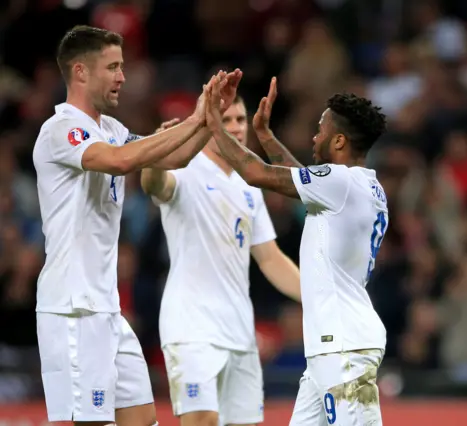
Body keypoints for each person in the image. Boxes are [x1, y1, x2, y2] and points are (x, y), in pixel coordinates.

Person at [33, 25, 233, 426]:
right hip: (73, 308)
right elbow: (120, 161)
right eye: (113, 67)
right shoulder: (61, 130)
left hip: (106, 308)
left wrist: (208, 120)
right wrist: (192, 120)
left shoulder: (112, 129)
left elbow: (170, 159)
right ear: (81, 72)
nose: (123, 76)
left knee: (142, 420)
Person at [204, 74, 389, 426]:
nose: (314, 136)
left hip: (344, 347)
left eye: (321, 129)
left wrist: (213, 122)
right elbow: (300, 178)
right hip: (329, 348)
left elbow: (257, 173)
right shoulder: (356, 186)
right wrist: (266, 136)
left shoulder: (341, 183)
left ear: (338, 140)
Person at [140, 81, 301, 426]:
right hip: (192, 326)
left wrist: (319, 297)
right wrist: (155, 155)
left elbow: (270, 258)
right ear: (206, 124)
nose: (236, 128)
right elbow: (155, 185)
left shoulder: (249, 184)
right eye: (224, 120)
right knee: (202, 421)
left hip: (239, 331)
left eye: (240, 119)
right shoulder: (185, 168)